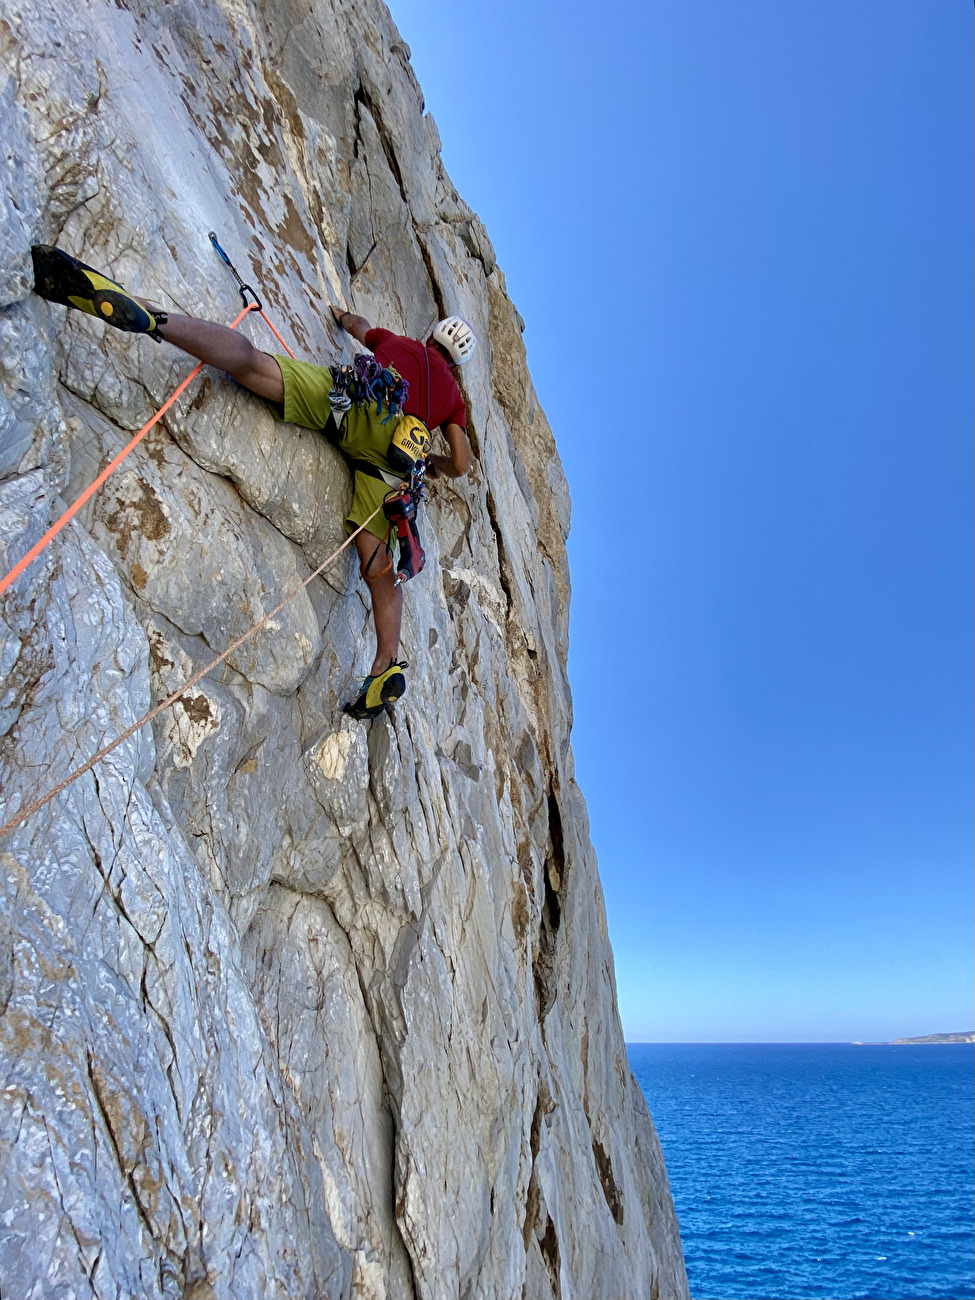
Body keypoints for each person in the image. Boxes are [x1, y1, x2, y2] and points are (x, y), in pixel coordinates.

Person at [30, 244, 475, 720]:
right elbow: (463, 461)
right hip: (390, 459)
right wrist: (436, 466)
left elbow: (358, 327)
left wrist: (339, 313)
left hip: (362, 401)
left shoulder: (402, 344)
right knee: (381, 571)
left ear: (430, 338)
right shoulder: (451, 395)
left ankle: (157, 319)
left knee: (254, 365)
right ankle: (385, 663)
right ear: (456, 365)